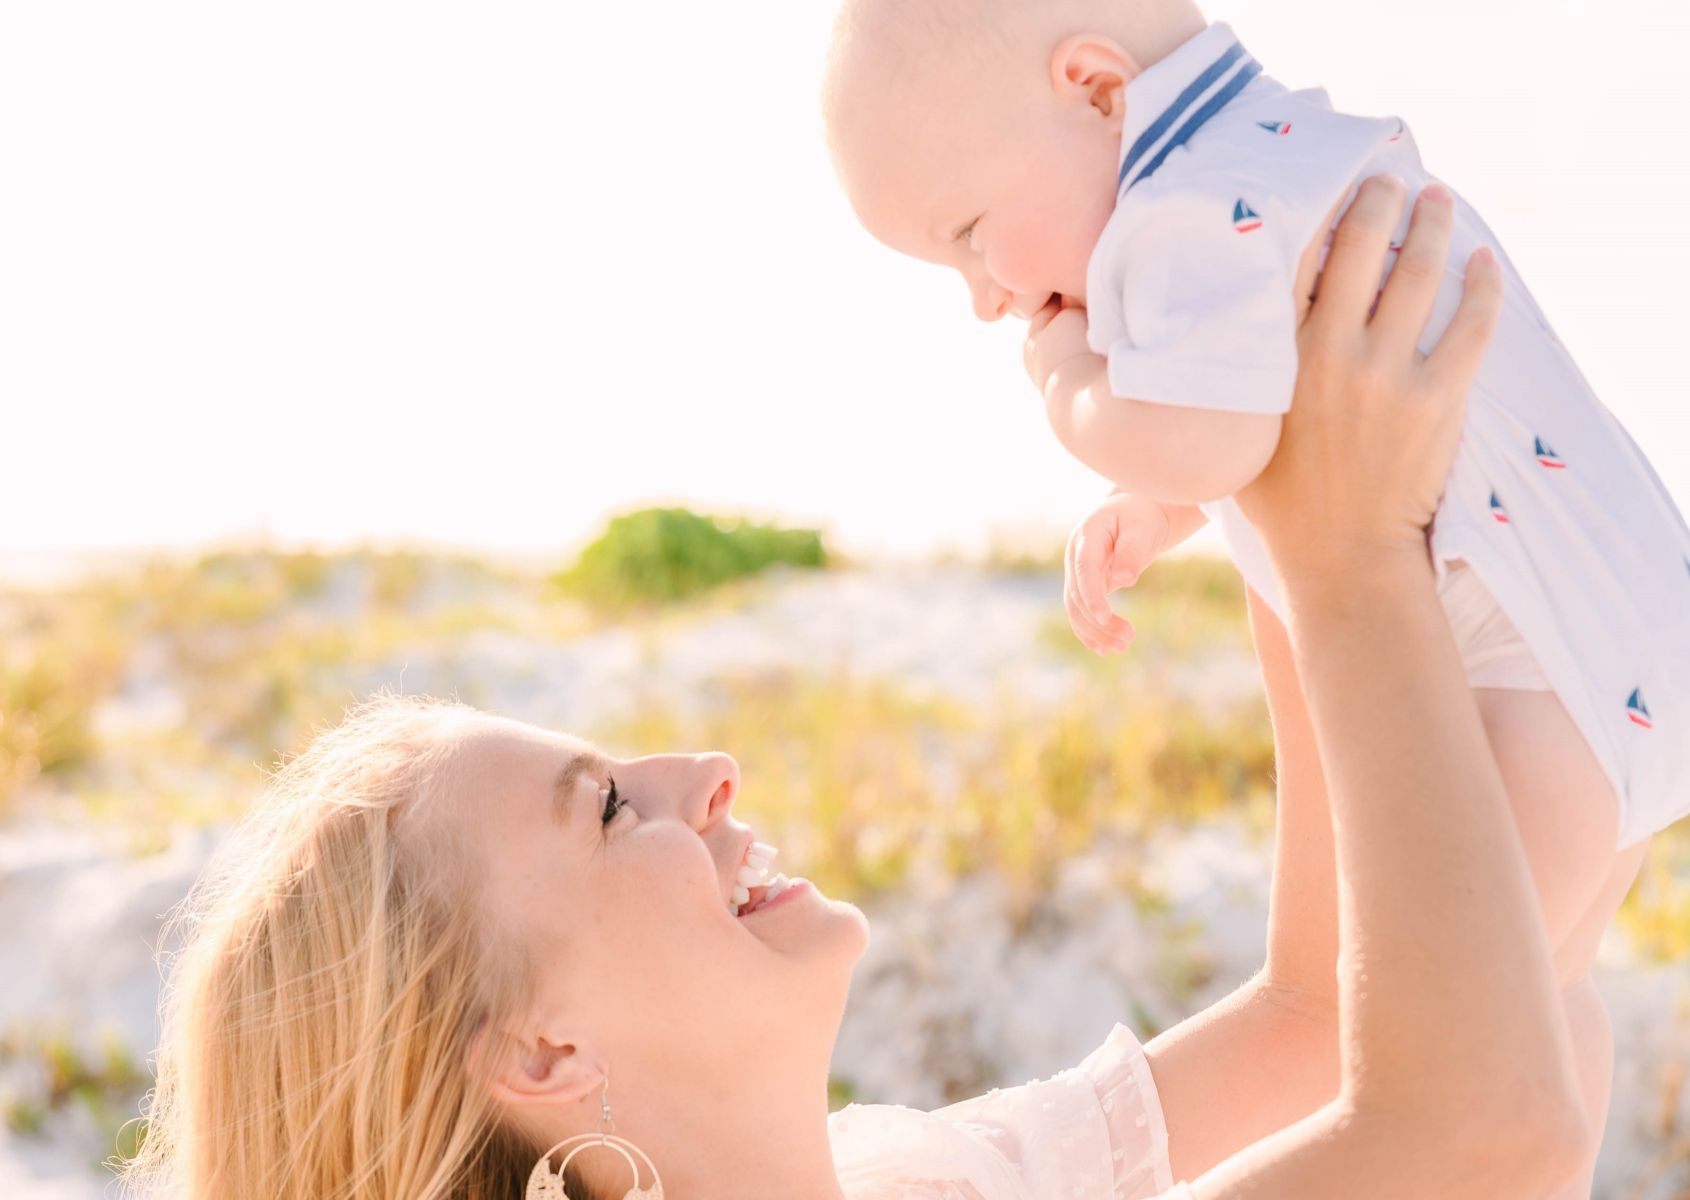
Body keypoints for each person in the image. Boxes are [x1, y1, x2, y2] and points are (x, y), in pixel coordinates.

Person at [118, 183, 1583, 1199]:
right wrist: (1349, 566)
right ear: (542, 1053)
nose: (705, 773)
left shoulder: (908, 1178)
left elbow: (1319, 1017)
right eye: (612, 809)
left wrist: (1261, 489)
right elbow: (1480, 1141)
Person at [821, 4, 1690, 1191]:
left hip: (1521, 674)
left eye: (968, 234)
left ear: (1094, 87)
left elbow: (1211, 435)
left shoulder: (1174, 210)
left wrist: (1074, 389)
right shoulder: (1286, 149)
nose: (984, 296)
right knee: (1539, 1002)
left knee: (1437, 1052)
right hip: (1612, 655)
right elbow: (1270, 405)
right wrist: (1166, 502)